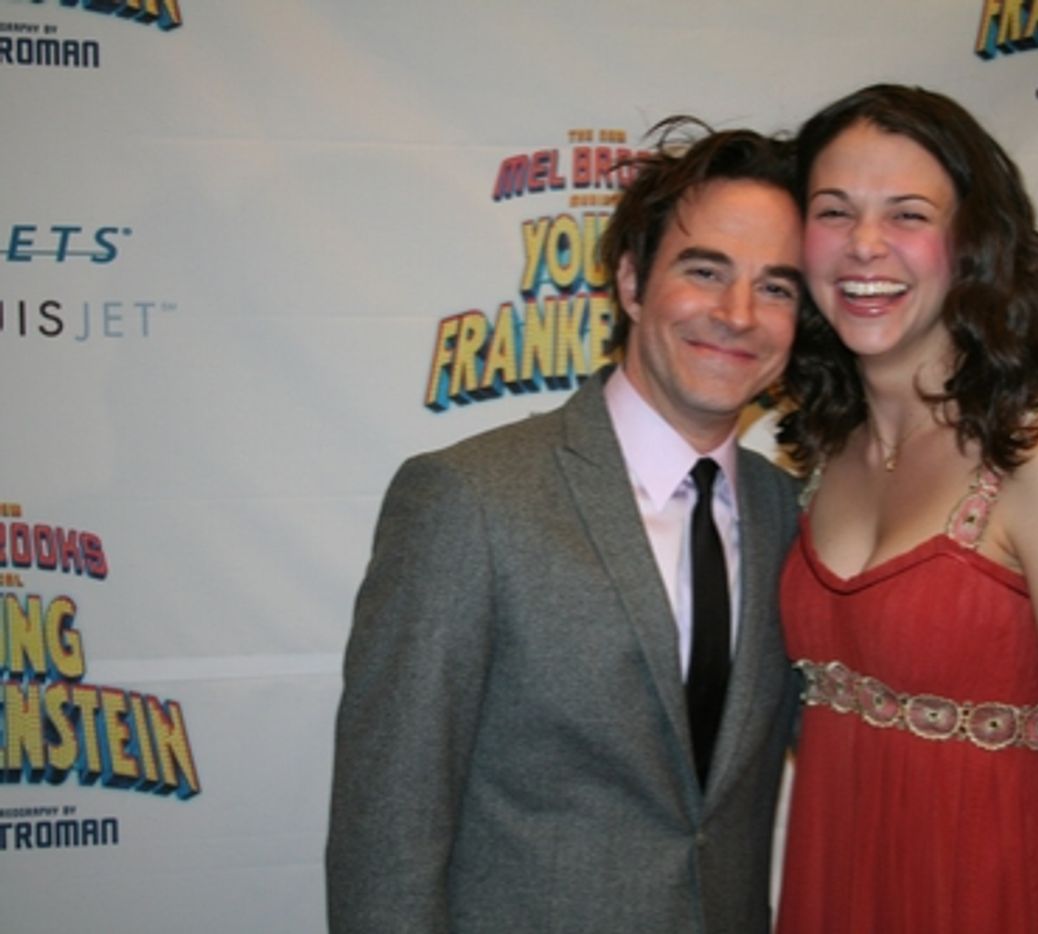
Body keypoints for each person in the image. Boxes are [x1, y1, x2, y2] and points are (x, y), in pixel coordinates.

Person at [326, 120, 806, 934]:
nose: (738, 314)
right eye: (705, 271)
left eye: (777, 288)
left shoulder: (792, 516)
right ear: (632, 281)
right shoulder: (469, 500)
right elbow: (388, 837)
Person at [774, 84, 1038, 933]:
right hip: (833, 890)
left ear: (973, 243)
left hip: (981, 895)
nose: (865, 245)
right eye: (834, 211)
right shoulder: (827, 451)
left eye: (908, 214)